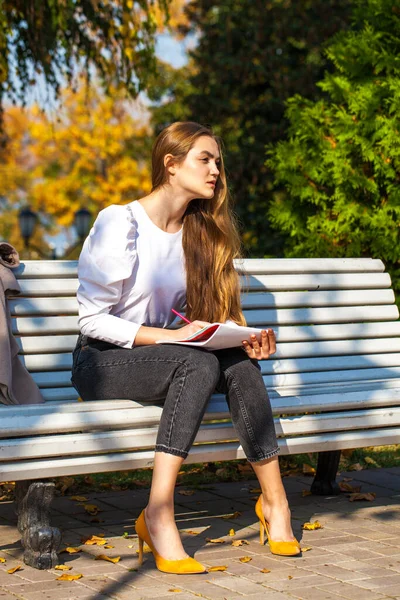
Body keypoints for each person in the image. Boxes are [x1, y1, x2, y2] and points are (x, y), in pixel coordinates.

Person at [71, 121, 300, 575]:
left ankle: (275, 503)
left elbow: (203, 322)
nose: (215, 169)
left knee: (236, 364)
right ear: (170, 165)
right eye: (204, 159)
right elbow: (91, 319)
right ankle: (158, 512)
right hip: (101, 362)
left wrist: (242, 339)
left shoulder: (201, 232)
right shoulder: (121, 221)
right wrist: (173, 339)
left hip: (170, 359)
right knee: (194, 365)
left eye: (218, 161)